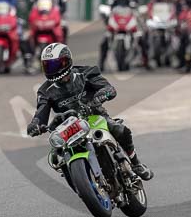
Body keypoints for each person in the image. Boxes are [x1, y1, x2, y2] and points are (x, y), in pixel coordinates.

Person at [26, 43, 153, 180]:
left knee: (120, 130)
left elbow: (108, 88)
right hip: (68, 126)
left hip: (94, 115)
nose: (52, 69)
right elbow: (41, 112)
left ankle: (136, 163)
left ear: (67, 61)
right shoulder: (45, 90)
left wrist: (104, 93)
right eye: (48, 66)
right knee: (57, 155)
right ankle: (77, 181)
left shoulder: (86, 72)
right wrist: (36, 124)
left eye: (56, 65)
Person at [100, 0, 147, 70]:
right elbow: (108, 5)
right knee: (104, 41)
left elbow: (139, 6)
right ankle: (101, 63)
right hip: (116, 21)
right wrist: (106, 11)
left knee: (141, 38)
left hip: (130, 21)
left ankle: (146, 61)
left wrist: (138, 9)